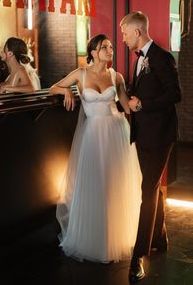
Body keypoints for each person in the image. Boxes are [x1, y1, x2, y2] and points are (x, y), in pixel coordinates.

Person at [49, 34, 142, 263]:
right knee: (94, 184)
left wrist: (141, 103)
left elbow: (126, 107)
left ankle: (115, 237)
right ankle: (92, 237)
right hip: (92, 135)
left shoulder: (116, 75)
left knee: (114, 185)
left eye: (111, 47)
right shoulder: (79, 73)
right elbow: (53, 88)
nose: (111, 50)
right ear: (93, 52)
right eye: (105, 47)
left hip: (116, 132)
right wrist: (66, 91)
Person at [120, 11, 182, 282]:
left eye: (124, 33)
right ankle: (161, 237)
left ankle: (138, 257)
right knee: (152, 186)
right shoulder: (138, 60)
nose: (122, 38)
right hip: (143, 134)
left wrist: (142, 104)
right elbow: (138, 91)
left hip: (160, 136)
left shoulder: (162, 57)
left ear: (137, 32)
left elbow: (174, 94)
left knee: (147, 191)